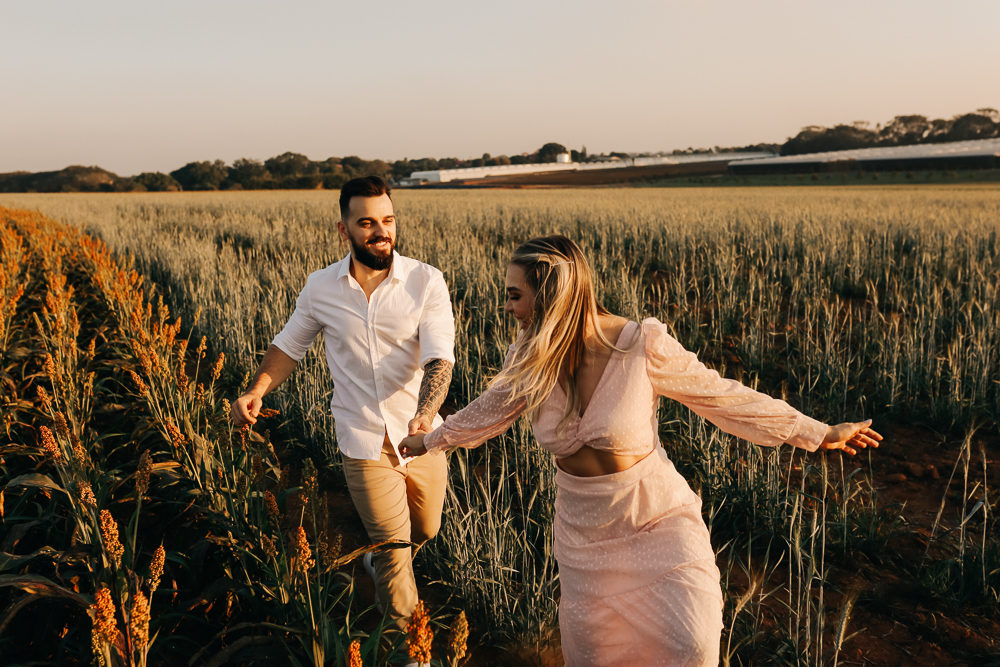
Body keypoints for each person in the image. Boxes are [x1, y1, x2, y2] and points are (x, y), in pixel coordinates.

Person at [399, 235, 882, 667]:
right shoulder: (529, 357)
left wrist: (817, 431)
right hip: (584, 540)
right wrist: (428, 439)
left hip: (656, 522)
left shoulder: (640, 345)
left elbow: (723, 396)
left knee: (691, 645)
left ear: (550, 295)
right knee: (593, 655)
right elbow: (489, 411)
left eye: (514, 295)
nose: (507, 308)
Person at [231, 176, 455, 639]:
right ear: (344, 229)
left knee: (425, 529)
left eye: (388, 220)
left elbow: (439, 357)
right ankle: (415, 652)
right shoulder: (321, 288)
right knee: (396, 549)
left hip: (423, 436)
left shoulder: (425, 281)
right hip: (363, 438)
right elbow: (289, 346)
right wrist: (257, 390)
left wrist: (424, 414)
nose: (381, 231)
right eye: (367, 222)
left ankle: (372, 560)